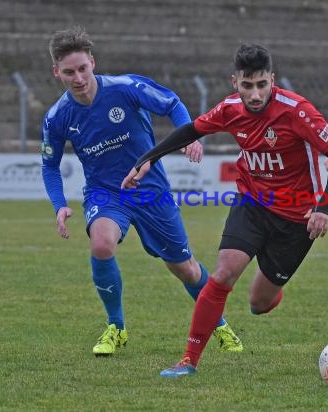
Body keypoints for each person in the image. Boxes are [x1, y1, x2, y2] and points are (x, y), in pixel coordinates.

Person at [122, 43, 328, 377]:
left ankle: (272, 286)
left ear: (272, 79)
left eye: (262, 85)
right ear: (235, 82)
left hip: (296, 215)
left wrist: (325, 207)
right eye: (248, 86)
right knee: (224, 273)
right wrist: (148, 158)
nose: (255, 94)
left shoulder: (296, 110)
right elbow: (191, 130)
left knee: (258, 303)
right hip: (252, 202)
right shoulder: (230, 109)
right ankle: (188, 360)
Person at [41, 26, 242, 356]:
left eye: (82, 68)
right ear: (56, 72)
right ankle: (115, 327)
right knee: (102, 244)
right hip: (106, 193)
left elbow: (172, 104)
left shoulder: (126, 88)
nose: (78, 78)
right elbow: (50, 165)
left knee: (186, 268)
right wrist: (59, 204)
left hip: (151, 191)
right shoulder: (57, 117)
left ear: (92, 62)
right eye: (68, 72)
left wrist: (189, 135)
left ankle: (218, 323)